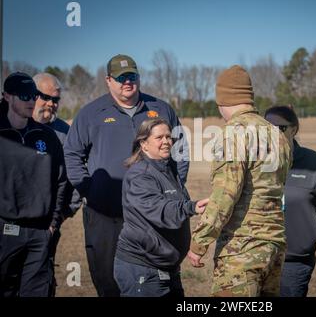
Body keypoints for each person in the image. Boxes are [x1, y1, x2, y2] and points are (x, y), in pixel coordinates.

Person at [64, 54, 190, 297]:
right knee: (108, 278)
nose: (127, 82)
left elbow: (180, 152)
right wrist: (90, 191)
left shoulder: (160, 109)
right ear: (108, 80)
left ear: (139, 78)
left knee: (157, 277)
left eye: (131, 76)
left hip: (151, 217)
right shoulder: (91, 113)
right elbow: (72, 154)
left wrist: (173, 188)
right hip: (106, 215)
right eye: (120, 78)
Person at [187, 65, 292, 297]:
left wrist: (199, 242)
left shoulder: (232, 134)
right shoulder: (277, 135)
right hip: (274, 245)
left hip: (242, 249)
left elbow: (225, 195)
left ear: (222, 101)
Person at [114, 118, 208, 297]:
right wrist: (191, 207)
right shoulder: (140, 175)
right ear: (144, 143)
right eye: (159, 137)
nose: (166, 141)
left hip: (168, 268)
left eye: (168, 137)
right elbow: (159, 210)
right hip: (142, 269)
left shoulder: (168, 170)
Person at [0, 72, 68, 296]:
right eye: (25, 95)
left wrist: (53, 223)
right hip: (5, 231)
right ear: (7, 96)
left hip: (40, 233)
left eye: (33, 95)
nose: (31, 100)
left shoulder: (46, 135)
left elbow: (61, 180)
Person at [264, 105, 316, 297]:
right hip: (257, 258)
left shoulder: (314, 163)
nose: (273, 134)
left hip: (294, 262)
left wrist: (315, 231)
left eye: (280, 128)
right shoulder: (256, 162)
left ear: (294, 129)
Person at [32, 72, 82, 296]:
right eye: (46, 97)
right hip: (9, 223)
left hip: (46, 225)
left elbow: (75, 176)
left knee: (41, 282)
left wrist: (60, 216)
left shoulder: (65, 133)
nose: (51, 104)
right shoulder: (10, 125)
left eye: (56, 100)